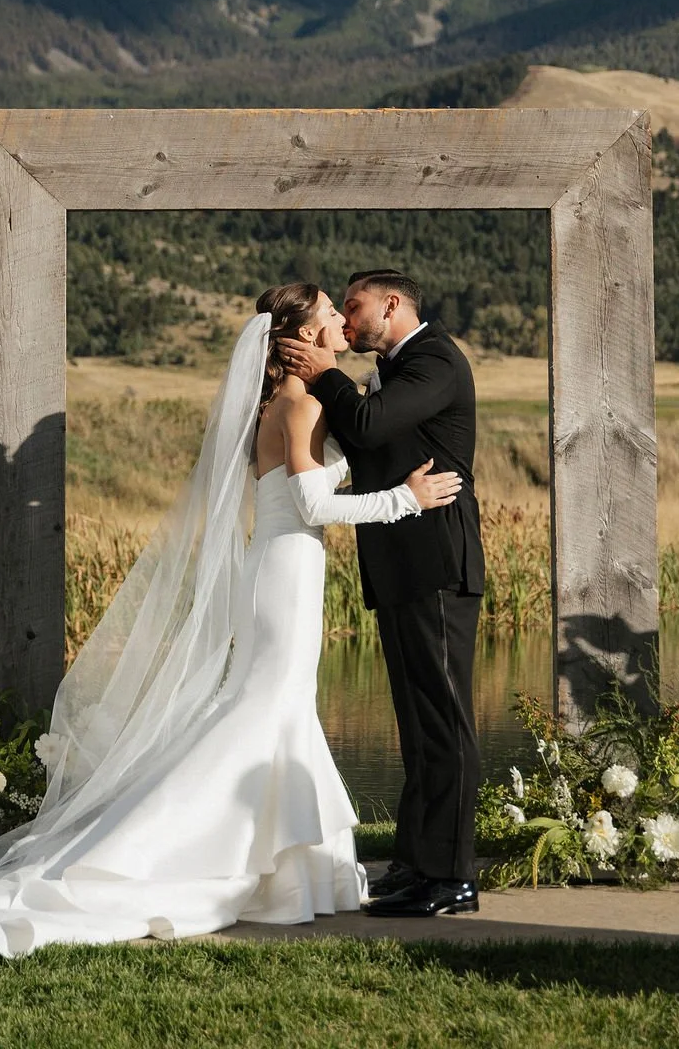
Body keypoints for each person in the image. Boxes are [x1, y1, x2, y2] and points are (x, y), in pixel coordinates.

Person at [0, 283, 460, 956]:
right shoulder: (298, 403)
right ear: (296, 337)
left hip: (286, 566)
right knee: (266, 708)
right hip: (286, 571)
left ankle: (291, 876)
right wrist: (403, 501)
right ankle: (174, 852)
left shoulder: (289, 402)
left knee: (279, 707)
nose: (337, 319)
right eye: (327, 312)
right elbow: (313, 506)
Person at [278, 269, 482, 918]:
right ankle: (417, 865)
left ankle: (452, 880)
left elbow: (366, 426)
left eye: (356, 304)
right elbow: (371, 452)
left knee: (445, 726)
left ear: (391, 305)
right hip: (399, 567)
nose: (349, 314)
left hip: (437, 568)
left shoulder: (435, 360)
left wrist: (321, 372)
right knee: (418, 728)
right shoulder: (394, 369)